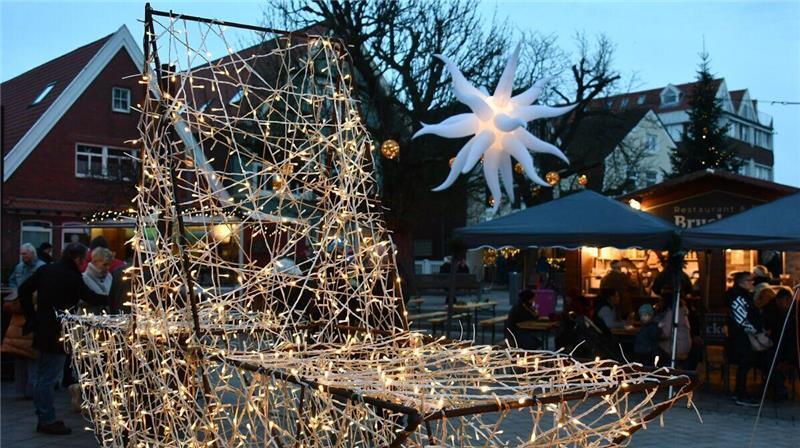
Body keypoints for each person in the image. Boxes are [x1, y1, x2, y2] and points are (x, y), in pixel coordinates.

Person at [18, 243, 108, 435]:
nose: (84, 264)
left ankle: (44, 416)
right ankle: (47, 419)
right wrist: (113, 297)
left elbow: (23, 289)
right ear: (77, 258)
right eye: (83, 260)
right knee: (48, 377)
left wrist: (31, 317)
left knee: (42, 375)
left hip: (43, 329)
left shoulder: (46, 270)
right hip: (58, 332)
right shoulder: (72, 276)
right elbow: (91, 297)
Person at [725, 271, 787, 406]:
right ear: (741, 283)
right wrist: (756, 332)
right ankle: (741, 394)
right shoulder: (738, 297)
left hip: (745, 337)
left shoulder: (743, 296)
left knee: (746, 364)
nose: (752, 283)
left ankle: (740, 392)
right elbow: (742, 319)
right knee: (745, 364)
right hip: (743, 338)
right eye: (749, 280)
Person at [2, 243, 46, 399]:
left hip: (31, 312)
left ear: (32, 253)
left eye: (25, 254)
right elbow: (12, 281)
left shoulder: (40, 267)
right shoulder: (20, 267)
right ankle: (23, 390)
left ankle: (30, 389)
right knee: (20, 354)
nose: (23, 257)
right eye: (22, 254)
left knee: (30, 355)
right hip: (20, 313)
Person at [658, 291, 691, 365]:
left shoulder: (671, 313)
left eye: (661, 301)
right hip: (685, 344)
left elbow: (666, 333)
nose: (659, 303)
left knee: (652, 348)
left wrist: (656, 334)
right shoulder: (681, 311)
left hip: (677, 346)